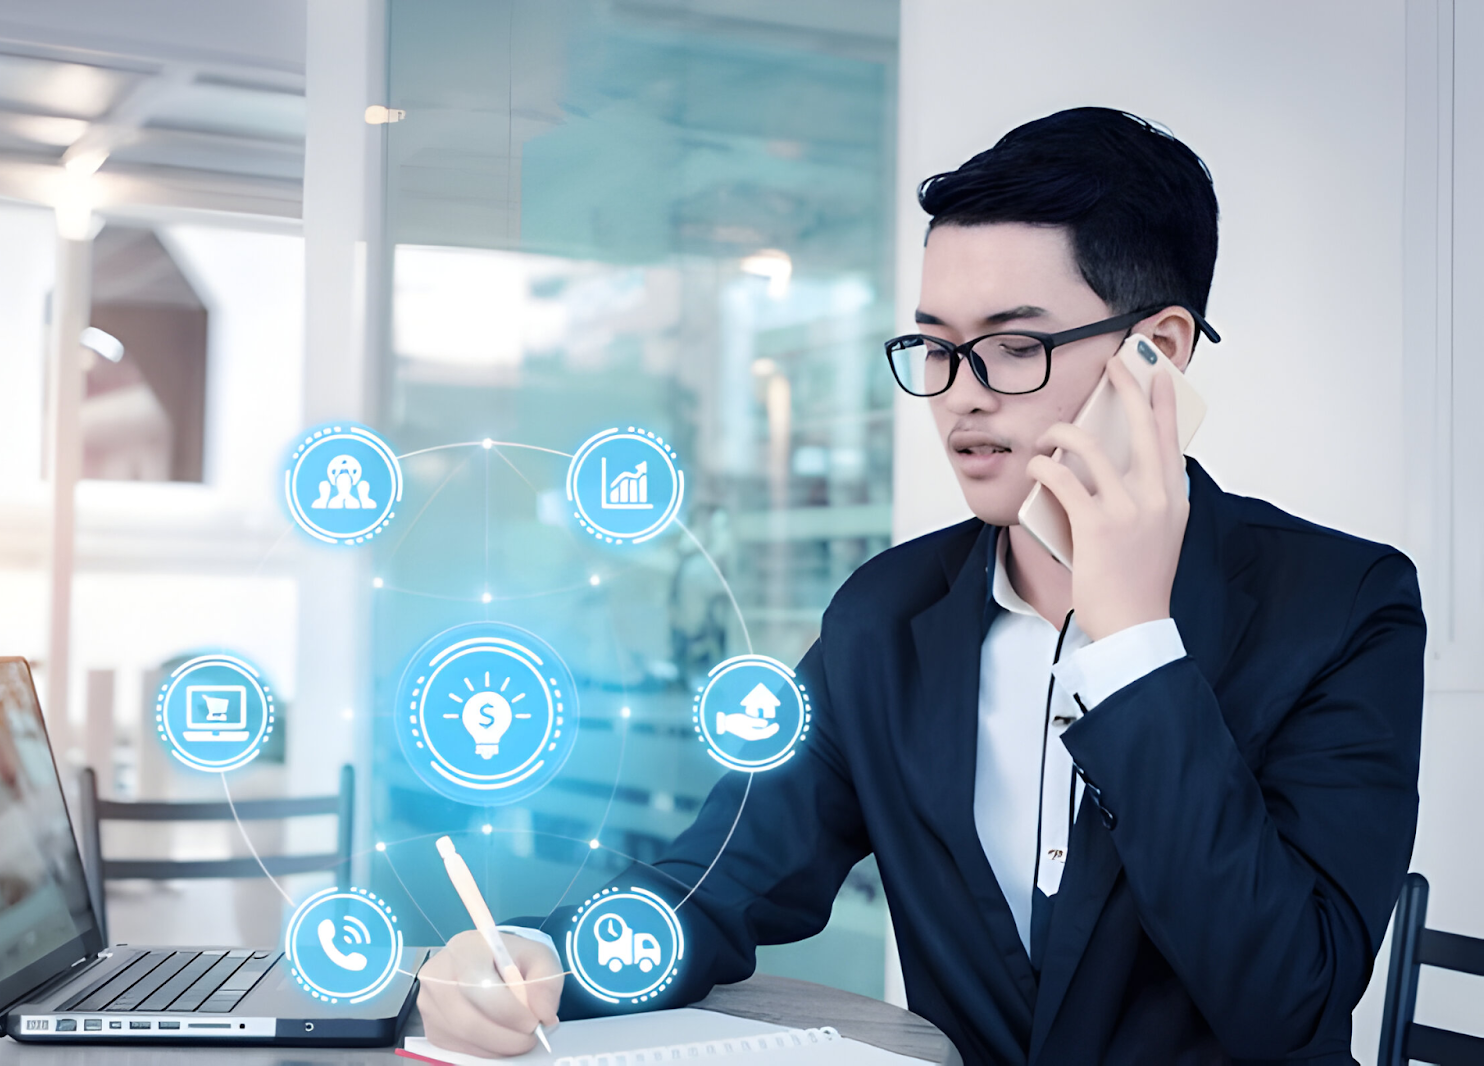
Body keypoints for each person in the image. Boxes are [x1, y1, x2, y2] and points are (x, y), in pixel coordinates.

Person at [414, 108, 1426, 1065]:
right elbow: (722, 879)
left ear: (1152, 354)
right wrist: (534, 957)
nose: (961, 394)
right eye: (936, 346)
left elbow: (1286, 1004)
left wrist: (1129, 640)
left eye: (1014, 346)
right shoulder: (888, 615)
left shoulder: (1340, 604)